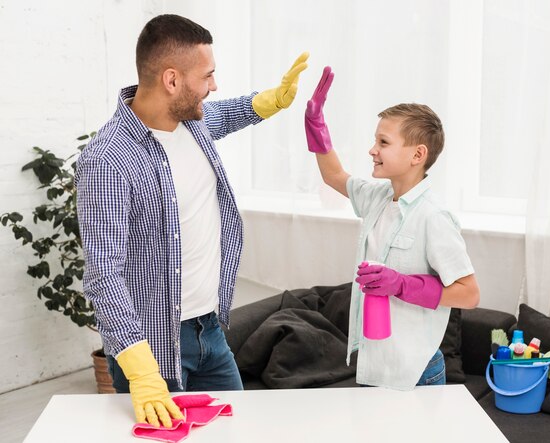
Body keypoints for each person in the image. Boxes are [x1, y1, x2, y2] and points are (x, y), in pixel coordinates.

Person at [75, 14, 308, 427]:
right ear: (171, 80)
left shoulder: (193, 123)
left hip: (209, 332)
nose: (213, 86)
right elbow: (103, 274)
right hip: (152, 346)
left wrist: (270, 100)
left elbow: (226, 113)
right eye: (208, 75)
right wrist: (141, 371)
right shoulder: (108, 160)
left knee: (238, 431)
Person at [304, 67, 480, 390]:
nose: (373, 149)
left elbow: (469, 294)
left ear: (417, 155)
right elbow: (334, 176)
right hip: (374, 366)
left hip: (416, 371)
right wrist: (316, 125)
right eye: (375, 140)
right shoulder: (377, 197)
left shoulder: (433, 217)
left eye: (383, 142)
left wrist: (401, 285)